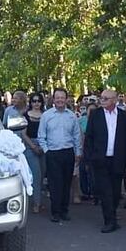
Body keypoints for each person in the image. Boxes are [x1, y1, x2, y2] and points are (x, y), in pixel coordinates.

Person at [84, 89, 126, 233]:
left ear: (114, 100)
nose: (103, 101)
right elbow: (89, 137)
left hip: (118, 159)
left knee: (115, 191)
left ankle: (112, 216)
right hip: (100, 159)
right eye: (101, 98)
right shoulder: (96, 115)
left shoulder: (124, 117)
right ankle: (109, 221)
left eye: (106, 99)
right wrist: (89, 158)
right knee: (105, 191)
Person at [37, 88, 82, 223]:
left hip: (68, 152)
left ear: (66, 99)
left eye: (62, 97)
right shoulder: (47, 115)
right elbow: (41, 136)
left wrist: (78, 152)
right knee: (55, 184)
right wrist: (46, 151)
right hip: (53, 153)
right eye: (57, 98)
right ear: (53, 99)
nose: (60, 100)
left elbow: (76, 135)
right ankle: (55, 212)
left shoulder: (72, 116)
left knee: (66, 183)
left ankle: (64, 210)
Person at [22, 93, 45, 214]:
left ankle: (38, 200)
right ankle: (36, 203)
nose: (36, 103)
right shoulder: (25, 115)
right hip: (30, 146)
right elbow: (23, 134)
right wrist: (33, 146)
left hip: (44, 146)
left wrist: (42, 146)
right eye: (34, 101)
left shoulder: (46, 115)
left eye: (39, 101)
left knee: (42, 175)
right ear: (30, 103)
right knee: (36, 175)